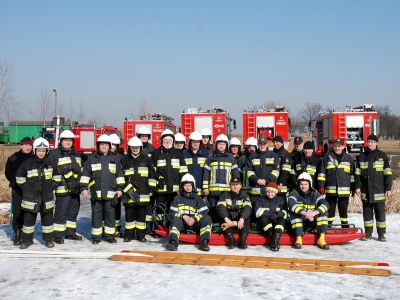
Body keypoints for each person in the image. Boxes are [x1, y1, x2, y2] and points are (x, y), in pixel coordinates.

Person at [80, 134, 125, 244]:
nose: (104, 147)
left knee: (110, 215)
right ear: (98, 146)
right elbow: (85, 174)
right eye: (102, 145)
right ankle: (96, 237)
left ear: (109, 146)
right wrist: (84, 188)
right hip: (96, 193)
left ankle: (110, 236)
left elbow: (119, 175)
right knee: (96, 215)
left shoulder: (114, 159)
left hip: (110, 194)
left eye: (106, 145)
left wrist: (120, 189)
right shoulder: (92, 159)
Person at [16, 138, 59, 249]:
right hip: (30, 199)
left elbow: (57, 178)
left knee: (48, 222)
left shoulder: (51, 164)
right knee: (28, 222)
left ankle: (49, 240)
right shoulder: (27, 163)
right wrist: (27, 189)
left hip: (46, 198)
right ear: (35, 151)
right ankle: (26, 241)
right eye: (39, 151)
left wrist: (50, 187)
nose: (41, 153)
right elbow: (19, 178)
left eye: (43, 151)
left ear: (46, 152)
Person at [355, 135, 392, 242]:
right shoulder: (361, 156)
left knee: (380, 215)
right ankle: (368, 233)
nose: (370, 144)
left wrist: (388, 188)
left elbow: (388, 174)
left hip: (379, 191)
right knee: (367, 215)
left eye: (372, 142)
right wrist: (357, 186)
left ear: (376, 143)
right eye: (369, 142)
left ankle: (381, 234)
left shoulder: (382, 156)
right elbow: (357, 174)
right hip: (366, 191)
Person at [48, 130, 83, 244]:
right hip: (62, 189)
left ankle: (70, 233)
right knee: (61, 212)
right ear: (61, 141)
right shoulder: (55, 154)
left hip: (74, 190)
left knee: (73, 212)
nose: (68, 143)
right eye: (66, 140)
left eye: (70, 141)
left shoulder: (76, 154)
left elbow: (80, 170)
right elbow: (50, 171)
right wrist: (62, 178)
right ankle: (57, 235)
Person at [120, 137, 157, 242]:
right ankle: (129, 235)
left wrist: (151, 189)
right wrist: (126, 190)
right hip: (128, 193)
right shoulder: (124, 160)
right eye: (133, 147)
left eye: (137, 147)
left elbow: (152, 175)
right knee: (129, 215)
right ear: (129, 148)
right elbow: (120, 177)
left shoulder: (146, 159)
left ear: (140, 148)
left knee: (141, 216)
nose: (135, 149)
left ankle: (141, 235)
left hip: (143, 192)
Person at [166, 174, 212, 251]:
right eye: (186, 185)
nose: (188, 188)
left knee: (207, 218)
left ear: (193, 186)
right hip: (182, 224)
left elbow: (204, 211)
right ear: (182, 186)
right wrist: (183, 216)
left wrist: (194, 219)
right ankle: (173, 242)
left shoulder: (198, 198)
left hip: (195, 224)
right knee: (175, 220)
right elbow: (172, 213)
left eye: (190, 185)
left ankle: (204, 242)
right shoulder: (177, 198)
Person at [151, 129, 188, 225]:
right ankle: (158, 229)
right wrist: (158, 177)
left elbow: (183, 171)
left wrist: (182, 187)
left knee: (172, 210)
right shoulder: (156, 153)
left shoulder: (178, 153)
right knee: (159, 210)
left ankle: (169, 227)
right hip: (160, 189)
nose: (167, 142)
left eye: (169, 140)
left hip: (174, 189)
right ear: (162, 140)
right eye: (165, 140)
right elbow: (151, 170)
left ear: (172, 141)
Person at [203, 134, 240, 224]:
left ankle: (222, 226)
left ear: (226, 145)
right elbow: (206, 172)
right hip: (212, 190)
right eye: (219, 144)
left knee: (224, 208)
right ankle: (214, 226)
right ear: (216, 145)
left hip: (226, 190)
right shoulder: (211, 156)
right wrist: (205, 187)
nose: (221, 146)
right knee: (213, 207)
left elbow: (235, 173)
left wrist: (235, 187)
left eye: (223, 144)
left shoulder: (230, 157)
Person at [317, 138, 354, 228]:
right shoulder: (327, 158)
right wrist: (321, 186)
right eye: (335, 146)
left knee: (343, 209)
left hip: (344, 190)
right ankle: (328, 225)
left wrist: (353, 186)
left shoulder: (349, 158)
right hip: (331, 190)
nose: (337, 148)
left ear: (343, 147)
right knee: (330, 210)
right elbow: (322, 173)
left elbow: (352, 174)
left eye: (339, 146)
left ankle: (344, 225)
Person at [287, 172, 330, 250]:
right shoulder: (294, 193)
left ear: (310, 184)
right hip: (299, 223)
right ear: (298, 185)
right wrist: (305, 213)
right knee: (293, 212)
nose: (303, 186)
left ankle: (321, 239)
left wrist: (314, 213)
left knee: (323, 211)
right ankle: (298, 239)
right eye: (301, 184)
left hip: (311, 221)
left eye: (306, 184)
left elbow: (325, 204)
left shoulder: (314, 194)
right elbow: (291, 203)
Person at [5, 137, 33, 245]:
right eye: (25, 145)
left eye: (30, 145)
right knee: (17, 212)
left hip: (31, 192)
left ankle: (28, 237)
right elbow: (8, 173)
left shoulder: (34, 159)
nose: (28, 147)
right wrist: (14, 183)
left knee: (29, 214)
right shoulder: (13, 158)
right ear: (21, 146)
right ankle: (17, 234)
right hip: (17, 190)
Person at [216, 177, 252, 249]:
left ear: (240, 186)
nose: (235, 186)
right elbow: (220, 208)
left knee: (247, 218)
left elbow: (248, 208)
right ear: (230, 185)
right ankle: (232, 240)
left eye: (237, 184)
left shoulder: (245, 196)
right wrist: (226, 219)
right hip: (228, 220)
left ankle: (243, 241)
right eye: (233, 184)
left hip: (240, 220)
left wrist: (242, 218)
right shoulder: (224, 195)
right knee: (222, 218)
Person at [246, 136, 280, 208]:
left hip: (269, 192)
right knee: (255, 212)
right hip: (255, 192)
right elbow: (249, 171)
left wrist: (266, 180)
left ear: (267, 144)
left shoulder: (273, 155)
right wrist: (257, 180)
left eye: (264, 144)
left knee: (269, 213)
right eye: (260, 144)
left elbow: (276, 171)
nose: (262, 146)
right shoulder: (252, 156)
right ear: (257, 144)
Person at [254, 182, 287, 251]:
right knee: (263, 218)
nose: (270, 194)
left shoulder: (280, 200)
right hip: (265, 224)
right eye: (268, 192)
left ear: (275, 192)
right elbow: (257, 212)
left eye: (272, 192)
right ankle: (275, 240)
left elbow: (285, 212)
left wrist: (277, 214)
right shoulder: (261, 200)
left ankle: (274, 241)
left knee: (282, 219)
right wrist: (271, 214)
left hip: (277, 221)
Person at [182, 131, 209, 196]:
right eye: (194, 141)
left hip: (201, 188)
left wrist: (206, 187)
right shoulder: (184, 154)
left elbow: (208, 172)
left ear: (200, 143)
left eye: (197, 142)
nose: (196, 144)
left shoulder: (206, 154)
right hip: (187, 189)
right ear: (190, 142)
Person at [109, 133, 124, 237]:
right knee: (106, 209)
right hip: (106, 187)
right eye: (111, 144)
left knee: (117, 209)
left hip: (117, 188)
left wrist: (121, 188)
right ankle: (107, 229)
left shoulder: (121, 158)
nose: (112, 147)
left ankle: (117, 229)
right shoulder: (100, 157)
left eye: (115, 145)